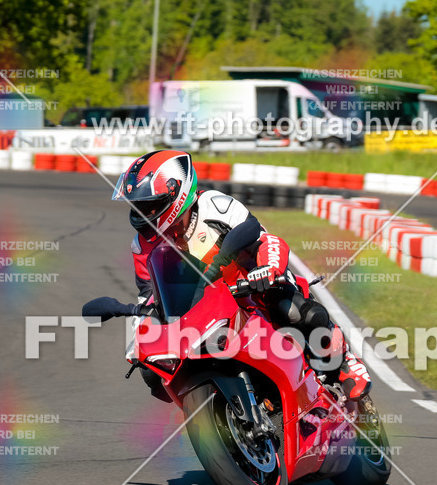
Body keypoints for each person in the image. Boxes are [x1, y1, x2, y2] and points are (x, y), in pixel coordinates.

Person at [112, 150, 371, 401]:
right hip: (202, 311)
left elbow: (263, 238)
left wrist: (268, 270)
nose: (142, 214)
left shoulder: (215, 206)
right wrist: (141, 333)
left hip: (253, 289)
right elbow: (149, 296)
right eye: (138, 207)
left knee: (292, 309)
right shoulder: (142, 246)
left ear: (177, 192)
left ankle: (345, 361)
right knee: (152, 371)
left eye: (151, 205)